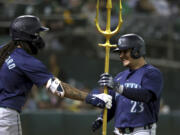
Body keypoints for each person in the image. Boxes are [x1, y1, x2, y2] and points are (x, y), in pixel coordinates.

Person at [0, 15, 112, 135]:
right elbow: (59, 88)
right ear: (28, 36)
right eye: (37, 34)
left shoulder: (2, 51)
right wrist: (91, 98)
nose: (40, 38)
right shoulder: (27, 61)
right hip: (6, 116)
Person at [91, 33, 163, 135]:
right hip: (119, 131)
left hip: (142, 130)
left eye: (125, 51)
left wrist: (117, 87)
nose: (121, 55)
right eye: (120, 52)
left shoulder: (152, 73)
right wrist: (102, 118)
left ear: (137, 51)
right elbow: (111, 104)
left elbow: (147, 95)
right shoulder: (120, 76)